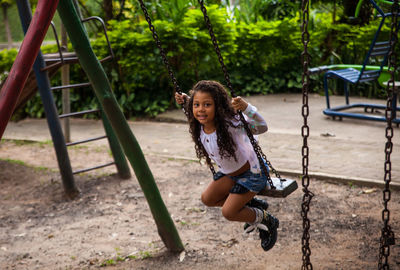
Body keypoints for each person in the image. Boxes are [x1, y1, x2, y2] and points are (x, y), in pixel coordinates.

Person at [175, 80, 279, 251]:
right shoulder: (199, 124)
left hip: (252, 173)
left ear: (219, 106)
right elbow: (192, 107)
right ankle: (250, 206)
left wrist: (246, 108)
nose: (201, 109)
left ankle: (266, 219)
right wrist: (186, 100)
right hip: (230, 173)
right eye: (197, 105)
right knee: (207, 199)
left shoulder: (231, 124)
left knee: (229, 212)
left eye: (207, 104)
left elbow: (262, 127)